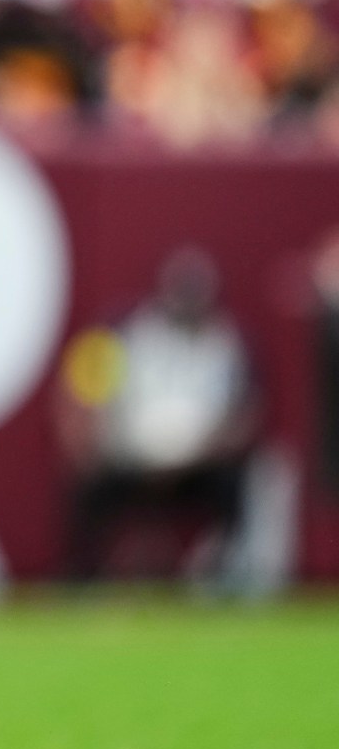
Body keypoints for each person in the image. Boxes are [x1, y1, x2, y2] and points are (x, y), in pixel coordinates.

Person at [60, 248, 258, 580]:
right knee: (86, 488)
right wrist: (95, 446)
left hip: (199, 465)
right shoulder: (124, 333)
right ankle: (82, 578)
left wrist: (207, 451)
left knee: (233, 484)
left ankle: (224, 574)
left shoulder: (227, 343)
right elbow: (80, 396)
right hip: (129, 462)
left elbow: (244, 412)